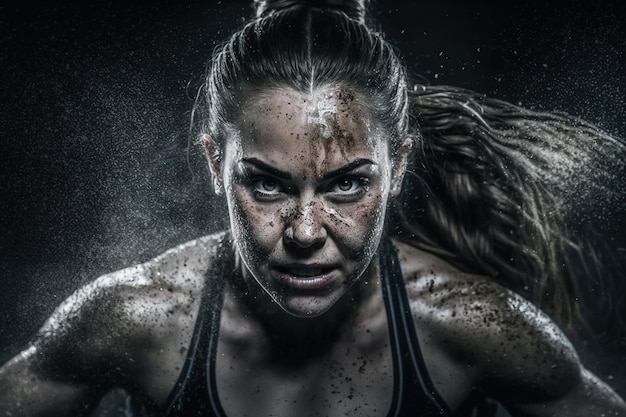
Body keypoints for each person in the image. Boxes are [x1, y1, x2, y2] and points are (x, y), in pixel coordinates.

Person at [1, 0, 625, 416]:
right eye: (267, 186)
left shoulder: (471, 325)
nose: (304, 232)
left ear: (398, 166)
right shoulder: (138, 317)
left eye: (347, 186)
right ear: (216, 162)